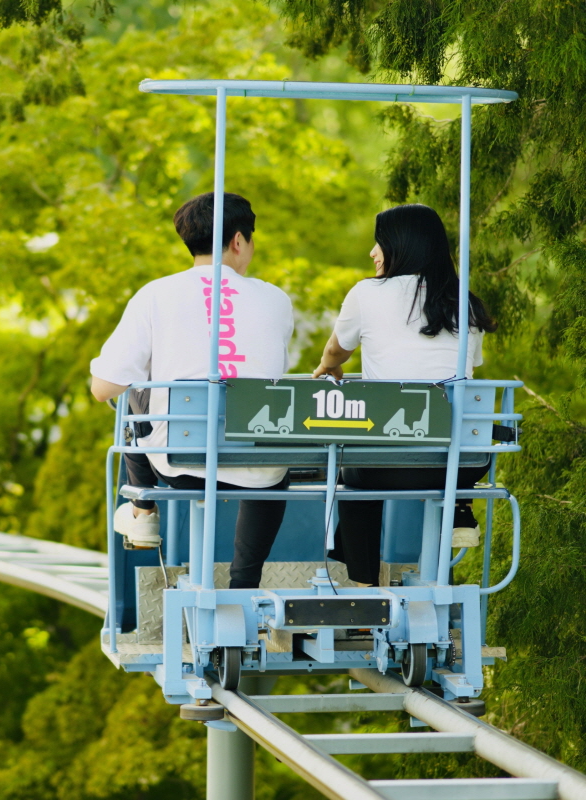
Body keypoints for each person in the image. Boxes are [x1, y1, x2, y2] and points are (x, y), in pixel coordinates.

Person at [90, 192, 295, 589]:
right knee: (270, 464)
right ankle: (244, 583)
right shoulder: (276, 299)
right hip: (260, 464)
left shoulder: (155, 294)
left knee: (134, 390)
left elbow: (103, 388)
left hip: (180, 466)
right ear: (239, 241)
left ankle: (143, 508)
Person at [313, 203, 498, 586]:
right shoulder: (466, 303)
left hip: (389, 461)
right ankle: (460, 505)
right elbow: (466, 372)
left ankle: (364, 587)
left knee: (353, 475)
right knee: (447, 437)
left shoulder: (367, 293)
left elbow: (335, 350)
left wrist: (329, 367)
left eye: (379, 243)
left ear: (401, 245)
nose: (372, 253)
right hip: (462, 463)